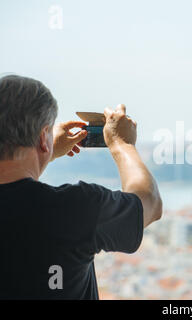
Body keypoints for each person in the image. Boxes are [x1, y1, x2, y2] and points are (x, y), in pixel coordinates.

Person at [0, 75, 163, 299]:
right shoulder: (73, 208)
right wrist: (122, 145)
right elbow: (150, 203)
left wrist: (45, 153)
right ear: (42, 139)